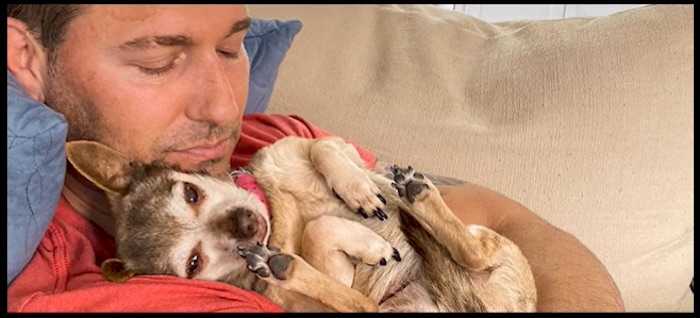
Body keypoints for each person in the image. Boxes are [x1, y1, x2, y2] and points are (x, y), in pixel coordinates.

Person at [6, 4, 624, 312]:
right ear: (26, 57)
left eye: (231, 49)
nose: (222, 107)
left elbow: (497, 216)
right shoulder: (79, 290)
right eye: (157, 61)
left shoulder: (260, 142)